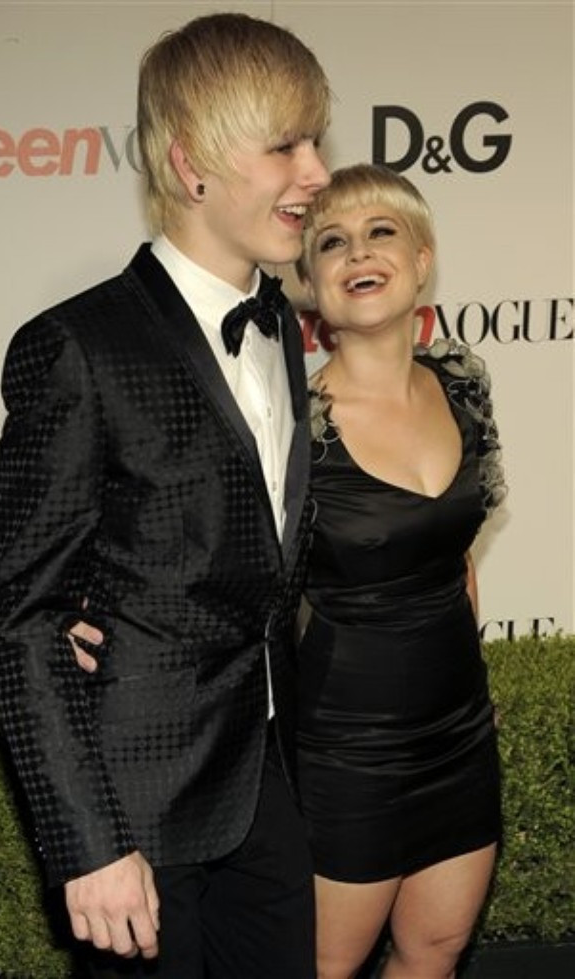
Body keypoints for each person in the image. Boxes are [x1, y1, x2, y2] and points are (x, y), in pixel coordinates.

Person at [0, 13, 330, 978]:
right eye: (285, 146)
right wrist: (88, 844)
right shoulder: (80, 346)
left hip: (266, 783)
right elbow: (21, 614)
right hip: (137, 808)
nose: (316, 172)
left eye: (315, 141)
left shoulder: (280, 329)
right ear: (191, 165)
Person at [294, 164, 506, 979]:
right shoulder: (294, 429)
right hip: (345, 753)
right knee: (324, 966)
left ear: (422, 259)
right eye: (331, 242)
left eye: (381, 230)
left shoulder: (462, 388)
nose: (358, 252)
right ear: (311, 286)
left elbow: (455, 558)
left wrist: (471, 685)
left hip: (459, 736)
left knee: (436, 950)